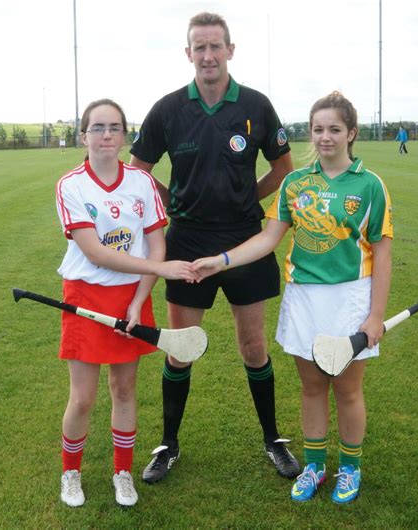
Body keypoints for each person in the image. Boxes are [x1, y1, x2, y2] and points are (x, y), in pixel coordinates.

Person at [192, 91, 393, 505]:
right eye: (318, 129)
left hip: (350, 300)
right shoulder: (295, 183)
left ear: (351, 133)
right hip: (304, 299)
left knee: (347, 390)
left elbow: (383, 256)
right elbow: (268, 238)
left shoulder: (370, 185)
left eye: (334, 129)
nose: (325, 137)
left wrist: (376, 316)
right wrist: (222, 260)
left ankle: (350, 468)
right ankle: (315, 466)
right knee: (312, 387)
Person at [130, 11, 299, 483]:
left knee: (253, 345)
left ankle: (273, 439)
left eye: (215, 46)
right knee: (181, 348)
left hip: (245, 239)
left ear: (230, 50)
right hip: (187, 242)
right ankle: (168, 446)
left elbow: (283, 168)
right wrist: (173, 203)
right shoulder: (168, 109)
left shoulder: (256, 105)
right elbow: (138, 169)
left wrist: (249, 199)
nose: (208, 55)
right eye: (199, 47)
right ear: (189, 53)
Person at [55, 98, 196, 508]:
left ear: (124, 135)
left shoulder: (141, 183)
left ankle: (123, 473)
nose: (106, 135)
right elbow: (96, 253)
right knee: (82, 397)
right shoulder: (71, 185)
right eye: (97, 128)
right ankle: (71, 473)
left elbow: (156, 244)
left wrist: (139, 300)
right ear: (84, 135)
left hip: (131, 296)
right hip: (85, 295)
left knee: (124, 389)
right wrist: (162, 269)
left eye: (114, 127)